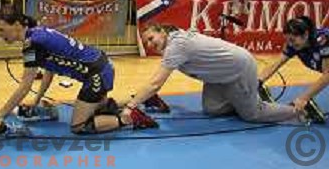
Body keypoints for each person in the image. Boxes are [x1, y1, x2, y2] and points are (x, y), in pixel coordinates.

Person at [0, 10, 158, 136]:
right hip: (101, 66)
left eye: (1, 29)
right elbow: (49, 71)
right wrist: (36, 102)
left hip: (95, 74)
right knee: (99, 107)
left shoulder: (31, 44)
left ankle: (131, 119)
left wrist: (0, 116)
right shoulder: (38, 33)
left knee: (79, 126)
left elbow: (24, 86)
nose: (0, 35)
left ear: (16, 25)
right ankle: (144, 98)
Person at [126, 24, 312, 125]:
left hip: (239, 70)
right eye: (147, 43)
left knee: (252, 115)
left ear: (162, 32)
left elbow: (155, 84)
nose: (150, 45)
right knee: (212, 109)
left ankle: (296, 111)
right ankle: (243, 99)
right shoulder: (176, 38)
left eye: (151, 38)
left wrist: (130, 106)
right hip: (218, 77)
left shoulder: (176, 46)